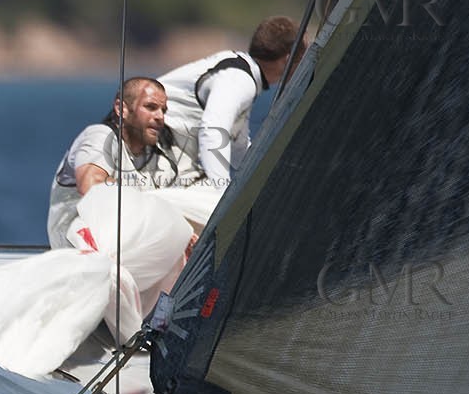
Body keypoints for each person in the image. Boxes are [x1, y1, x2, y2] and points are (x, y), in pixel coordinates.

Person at [46, 76, 202, 249]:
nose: (160, 117)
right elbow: (91, 187)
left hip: (128, 247)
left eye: (163, 110)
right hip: (78, 250)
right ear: (122, 109)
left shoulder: (158, 158)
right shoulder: (100, 136)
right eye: (150, 107)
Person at [158, 15, 304, 185]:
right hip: (147, 146)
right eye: (303, 59)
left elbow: (238, 151)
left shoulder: (242, 71)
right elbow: (213, 131)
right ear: (288, 59)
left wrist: (281, 176)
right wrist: (219, 192)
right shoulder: (240, 80)